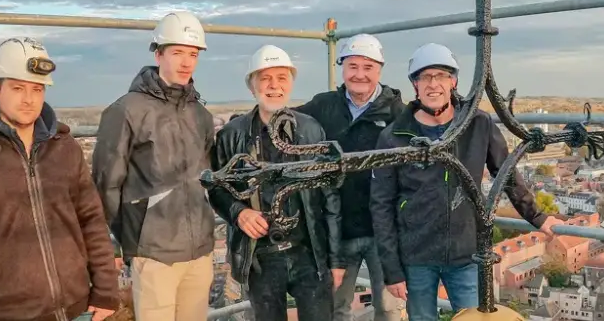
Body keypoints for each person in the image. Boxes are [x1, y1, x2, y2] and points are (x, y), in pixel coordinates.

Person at [0, 37, 119, 321]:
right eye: (18, 88)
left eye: (37, 89)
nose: (29, 99)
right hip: (10, 314)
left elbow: (91, 219)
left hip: (79, 307)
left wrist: (105, 290)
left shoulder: (64, 148)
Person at [370, 43, 560, 321]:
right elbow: (381, 205)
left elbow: (506, 175)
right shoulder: (394, 136)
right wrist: (392, 270)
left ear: (453, 81)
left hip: (466, 254)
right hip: (416, 256)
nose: (433, 84)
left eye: (441, 76)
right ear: (414, 85)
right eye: (425, 77)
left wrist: (538, 217)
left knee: (475, 317)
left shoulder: (478, 124)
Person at [92, 11, 217, 321]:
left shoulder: (200, 114)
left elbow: (208, 180)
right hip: (154, 254)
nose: (186, 62)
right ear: (159, 54)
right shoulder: (126, 111)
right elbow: (105, 184)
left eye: (192, 54)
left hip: (199, 251)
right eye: (177, 53)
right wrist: (112, 247)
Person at [208, 45, 347, 321]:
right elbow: (217, 187)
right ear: (252, 87)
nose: (274, 86)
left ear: (291, 84)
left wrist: (335, 259)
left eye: (282, 78)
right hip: (261, 255)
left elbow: (329, 198)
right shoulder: (231, 135)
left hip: (309, 253)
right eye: (265, 78)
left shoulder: (310, 129)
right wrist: (239, 213)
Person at [295, 33, 405, 321]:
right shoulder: (323, 106)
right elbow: (284, 123)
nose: (359, 75)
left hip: (384, 230)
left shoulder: (397, 114)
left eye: (368, 68)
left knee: (389, 310)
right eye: (353, 66)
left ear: (380, 70)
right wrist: (239, 124)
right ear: (342, 68)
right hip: (338, 230)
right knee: (335, 309)